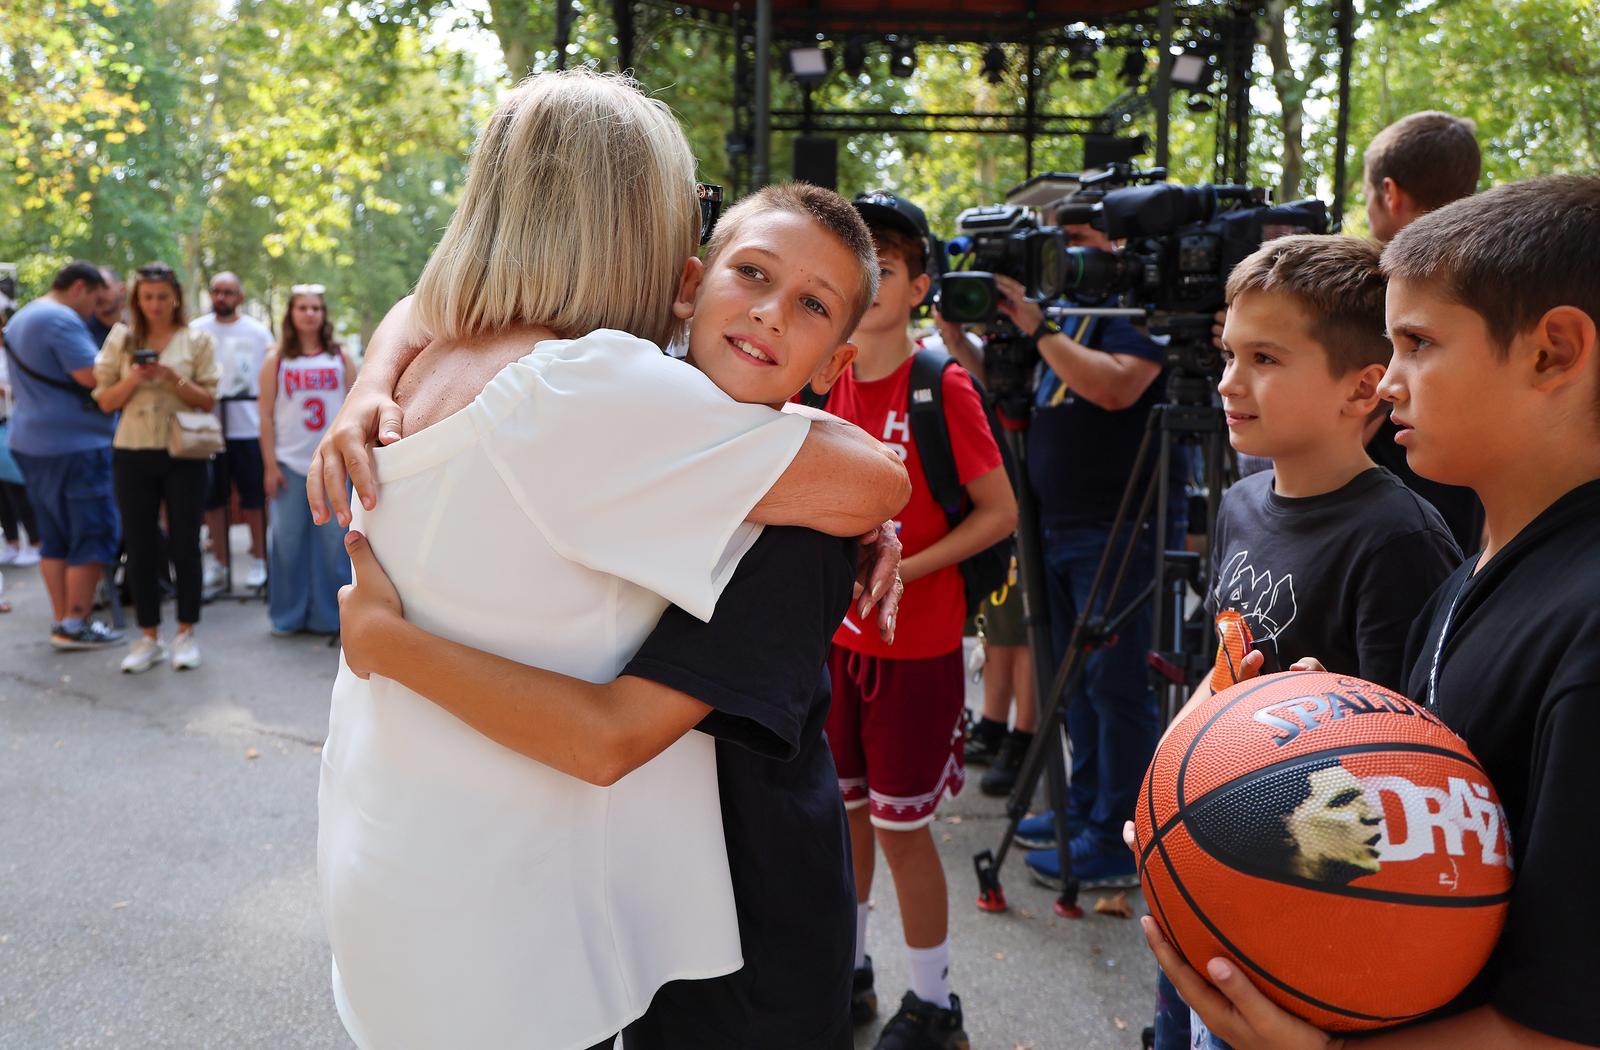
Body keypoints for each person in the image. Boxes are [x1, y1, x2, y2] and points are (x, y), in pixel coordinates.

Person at [312, 72, 910, 1050]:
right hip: (506, 927)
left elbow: (419, 304)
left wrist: (365, 379)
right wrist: (838, 505)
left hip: (397, 859)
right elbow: (875, 481)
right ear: (638, 227)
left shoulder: (434, 355)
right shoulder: (590, 387)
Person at [1139, 175, 1600, 1050]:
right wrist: (1300, 746)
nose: (1385, 383)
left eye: (1417, 343)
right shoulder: (1473, 579)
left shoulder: (1581, 624)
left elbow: (1563, 1026)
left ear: (1553, 353)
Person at [797, 190, 1014, 1048]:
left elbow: (998, 512)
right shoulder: (825, 372)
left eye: (888, 263)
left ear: (921, 283)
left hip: (918, 644)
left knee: (901, 826)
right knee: (842, 814)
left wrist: (904, 567)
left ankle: (935, 1001)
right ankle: (849, 971)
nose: (873, 276)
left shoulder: (938, 382)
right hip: (838, 642)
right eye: (861, 262)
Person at [952, 193, 1186, 891]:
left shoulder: (1133, 315)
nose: (1066, 253)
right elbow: (1000, 392)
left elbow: (1115, 390)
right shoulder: (1064, 317)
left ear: (1116, 245)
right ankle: (1081, 814)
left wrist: (1041, 324)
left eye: (1079, 237)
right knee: (1071, 683)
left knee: (1114, 688)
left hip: (1117, 524)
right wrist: (964, 330)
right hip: (1056, 523)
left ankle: (1119, 836)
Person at [1358, 111, 1485, 557]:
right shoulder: (1493, 281)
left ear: (1389, 193)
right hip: (1459, 530)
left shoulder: (1372, 291)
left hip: (1374, 536)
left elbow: (1338, 434)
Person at [93, 263, 219, 672]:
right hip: (132, 449)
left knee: (185, 543)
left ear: (176, 297)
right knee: (141, 544)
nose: (155, 304)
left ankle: (186, 632)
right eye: (147, 297)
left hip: (185, 452)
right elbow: (105, 400)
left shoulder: (196, 339)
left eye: (163, 296)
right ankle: (149, 636)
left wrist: (168, 377)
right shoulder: (121, 338)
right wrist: (135, 378)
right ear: (137, 298)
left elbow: (207, 400)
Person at [2, 261, 123, 648]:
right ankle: (75, 622)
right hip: (74, 445)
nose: (95, 311)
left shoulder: (26, 316)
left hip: (34, 441)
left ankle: (63, 620)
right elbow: (94, 377)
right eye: (95, 300)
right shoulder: (60, 319)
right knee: (91, 533)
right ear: (78, 288)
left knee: (54, 536)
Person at [256, 285, 352, 636]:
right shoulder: (277, 360)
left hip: (332, 463)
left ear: (324, 314)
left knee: (333, 544)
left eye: (316, 308)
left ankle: (332, 616)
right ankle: (288, 614)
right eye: (302, 308)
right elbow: (265, 416)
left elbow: (354, 409)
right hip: (288, 463)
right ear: (291, 314)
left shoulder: (340, 358)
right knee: (287, 541)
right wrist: (269, 464)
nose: (310, 314)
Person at [191, 271, 272, 591]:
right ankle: (220, 563)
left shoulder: (257, 332)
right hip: (208, 427)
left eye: (228, 292)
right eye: (216, 291)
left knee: (253, 498)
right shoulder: (196, 330)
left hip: (247, 427)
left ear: (239, 296)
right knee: (213, 500)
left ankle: (259, 560)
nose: (221, 297)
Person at [86, 268, 126, 347]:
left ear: (122, 290)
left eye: (105, 287)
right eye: (94, 289)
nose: (100, 294)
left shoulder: (136, 326)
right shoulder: (83, 331)